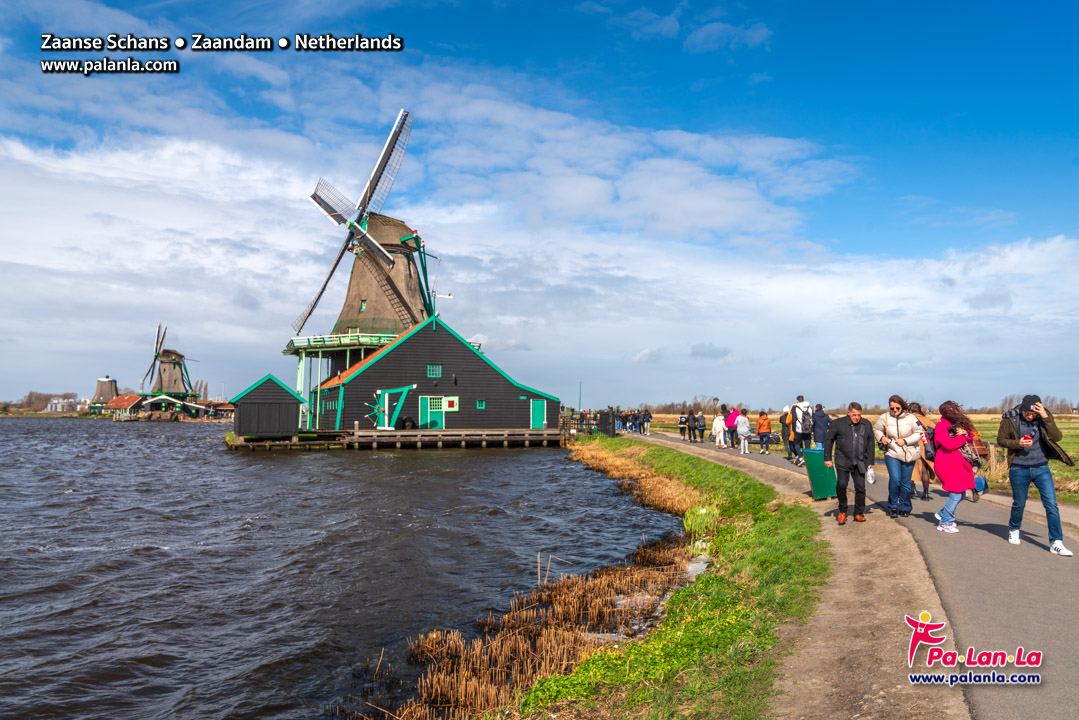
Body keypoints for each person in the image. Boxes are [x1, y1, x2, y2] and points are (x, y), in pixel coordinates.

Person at [997, 395, 1074, 556]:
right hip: (1019, 469)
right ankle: (1014, 528)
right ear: (1022, 409)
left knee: (1051, 505)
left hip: (1041, 468)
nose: (1030, 416)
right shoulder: (1010, 419)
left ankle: (1056, 542)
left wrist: (1045, 417)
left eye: (1034, 414)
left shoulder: (1044, 417)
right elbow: (1001, 440)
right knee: (1019, 503)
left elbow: (1057, 437)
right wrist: (1018, 443)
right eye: (1028, 413)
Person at [824, 402, 875, 524]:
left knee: (860, 488)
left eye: (858, 415)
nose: (857, 417)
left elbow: (870, 443)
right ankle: (842, 511)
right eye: (854, 415)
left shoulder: (866, 424)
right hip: (843, 460)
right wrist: (827, 458)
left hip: (860, 461)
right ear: (849, 413)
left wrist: (870, 461)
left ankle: (858, 513)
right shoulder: (838, 424)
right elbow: (829, 440)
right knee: (841, 485)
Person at [875, 394, 922, 518]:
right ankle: (893, 505)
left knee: (905, 482)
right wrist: (882, 437)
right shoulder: (884, 417)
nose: (894, 410)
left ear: (902, 407)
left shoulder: (911, 418)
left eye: (897, 408)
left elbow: (920, 432)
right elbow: (877, 429)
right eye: (892, 408)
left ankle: (905, 506)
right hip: (892, 452)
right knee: (895, 479)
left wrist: (906, 441)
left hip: (909, 453)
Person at [932, 401, 976, 534]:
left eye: (955, 410)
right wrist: (963, 437)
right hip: (946, 464)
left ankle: (943, 513)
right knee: (956, 494)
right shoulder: (941, 426)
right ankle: (945, 523)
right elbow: (948, 445)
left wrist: (965, 434)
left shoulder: (959, 425)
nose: (954, 412)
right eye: (950, 411)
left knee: (961, 493)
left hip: (959, 464)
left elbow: (971, 436)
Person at [907, 402, 936, 501]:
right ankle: (926, 493)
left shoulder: (909, 419)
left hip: (912, 446)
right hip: (926, 447)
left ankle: (912, 490)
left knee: (910, 469)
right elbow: (935, 430)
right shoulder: (926, 419)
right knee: (924, 471)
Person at [790, 395, 813, 466]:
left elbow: (793, 420)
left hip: (799, 429)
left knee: (797, 444)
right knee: (807, 445)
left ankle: (800, 458)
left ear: (797, 400)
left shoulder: (795, 408)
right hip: (808, 429)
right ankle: (809, 460)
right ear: (803, 400)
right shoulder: (809, 408)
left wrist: (794, 429)